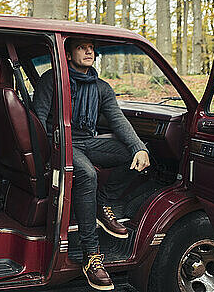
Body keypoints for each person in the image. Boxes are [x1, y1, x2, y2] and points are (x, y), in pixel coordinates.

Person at [33, 37, 150, 291]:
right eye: (81, 47)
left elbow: (118, 121)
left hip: (89, 141)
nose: (89, 51)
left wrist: (138, 147)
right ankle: (91, 255)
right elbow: (39, 119)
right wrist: (47, 155)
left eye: (91, 48)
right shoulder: (51, 80)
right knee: (86, 173)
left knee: (136, 154)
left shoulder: (101, 87)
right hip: (61, 143)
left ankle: (102, 202)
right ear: (67, 54)